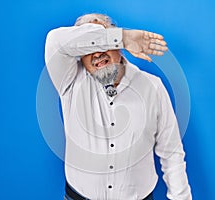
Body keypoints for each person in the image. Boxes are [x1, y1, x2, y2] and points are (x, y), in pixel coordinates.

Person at [45, 13, 192, 200]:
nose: (97, 53)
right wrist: (123, 37)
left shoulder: (152, 87)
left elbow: (172, 154)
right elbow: (54, 41)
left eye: (103, 42)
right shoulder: (70, 81)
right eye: (90, 46)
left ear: (120, 49)